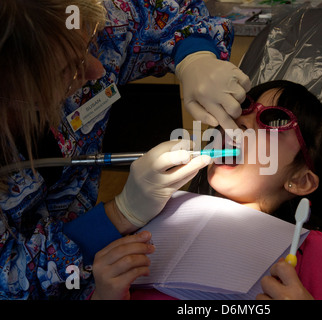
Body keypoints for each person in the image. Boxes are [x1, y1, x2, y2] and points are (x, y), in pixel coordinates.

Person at [0, 0, 250, 299]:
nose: (96, 69)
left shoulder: (74, 19)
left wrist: (195, 55)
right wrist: (120, 213)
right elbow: (13, 280)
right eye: (69, 70)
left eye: (90, 44)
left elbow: (173, 14)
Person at [94, 80, 322, 300]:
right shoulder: (155, 211)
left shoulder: (308, 248)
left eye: (274, 122)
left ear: (300, 181)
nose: (241, 121)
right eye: (245, 106)